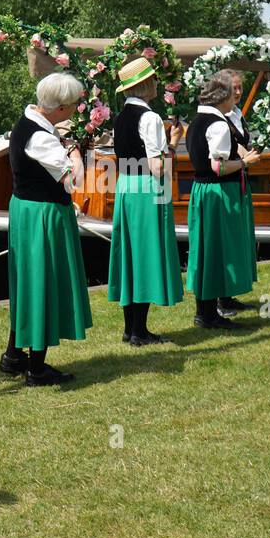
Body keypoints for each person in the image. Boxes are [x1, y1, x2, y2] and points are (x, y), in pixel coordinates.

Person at [0, 73, 93, 384]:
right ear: (61, 108)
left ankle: (14, 355)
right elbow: (73, 181)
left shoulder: (29, 120)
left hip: (29, 209)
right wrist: (76, 151)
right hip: (42, 214)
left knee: (28, 281)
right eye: (74, 104)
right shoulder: (40, 137)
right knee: (42, 281)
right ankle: (36, 368)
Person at [107, 57, 183, 344]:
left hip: (126, 184)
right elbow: (158, 166)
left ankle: (132, 329)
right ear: (144, 85)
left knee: (130, 254)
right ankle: (138, 330)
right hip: (148, 187)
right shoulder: (150, 118)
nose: (156, 82)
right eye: (152, 78)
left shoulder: (120, 116)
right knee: (144, 253)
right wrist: (172, 145)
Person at [186, 71, 262, 329]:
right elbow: (217, 167)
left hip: (203, 190)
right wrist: (244, 162)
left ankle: (205, 311)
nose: (236, 98)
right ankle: (208, 314)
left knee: (207, 251)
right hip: (218, 192)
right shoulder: (218, 124)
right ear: (224, 96)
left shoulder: (198, 120)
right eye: (233, 93)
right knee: (217, 251)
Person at [220, 70, 259, 318]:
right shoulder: (218, 118)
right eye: (233, 88)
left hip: (240, 181)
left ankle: (229, 295)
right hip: (225, 180)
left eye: (240, 88)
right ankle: (219, 300)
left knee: (238, 239)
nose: (237, 93)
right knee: (226, 241)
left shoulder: (237, 114)